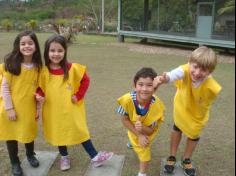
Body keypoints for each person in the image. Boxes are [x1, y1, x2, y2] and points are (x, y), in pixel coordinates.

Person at [35, 34, 113, 171]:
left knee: (80, 130)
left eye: (60, 50)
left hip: (71, 109)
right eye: (52, 50)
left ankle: (94, 156)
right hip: (53, 110)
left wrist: (78, 95)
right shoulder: (43, 71)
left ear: (65, 52)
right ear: (47, 52)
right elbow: (40, 88)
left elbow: (85, 80)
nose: (56, 54)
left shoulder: (72, 68)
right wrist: (39, 95)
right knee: (59, 132)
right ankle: (64, 157)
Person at [154, 46, 222, 176]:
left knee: (193, 135)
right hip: (182, 107)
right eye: (195, 67)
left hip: (198, 114)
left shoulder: (211, 84)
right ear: (189, 62)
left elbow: (208, 100)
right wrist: (165, 78)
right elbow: (174, 74)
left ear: (210, 71)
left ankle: (186, 159)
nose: (197, 72)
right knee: (177, 128)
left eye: (203, 70)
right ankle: (172, 156)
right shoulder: (185, 69)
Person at [0, 30, 43, 176]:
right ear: (18, 46)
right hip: (11, 108)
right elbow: (5, 88)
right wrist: (9, 108)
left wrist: (38, 106)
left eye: (30, 43)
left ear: (35, 46)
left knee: (28, 133)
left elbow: (39, 88)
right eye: (23, 43)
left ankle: (30, 155)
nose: (26, 46)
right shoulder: (11, 64)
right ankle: (15, 163)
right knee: (11, 136)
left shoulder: (38, 67)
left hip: (28, 108)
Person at [117, 67, 165, 176]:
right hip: (133, 128)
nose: (144, 89)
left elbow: (151, 131)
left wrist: (142, 129)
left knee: (144, 150)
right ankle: (132, 141)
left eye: (149, 85)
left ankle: (142, 173)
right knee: (133, 135)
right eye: (140, 84)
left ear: (155, 88)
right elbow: (124, 119)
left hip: (146, 130)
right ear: (134, 85)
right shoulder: (127, 100)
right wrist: (138, 134)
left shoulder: (157, 107)